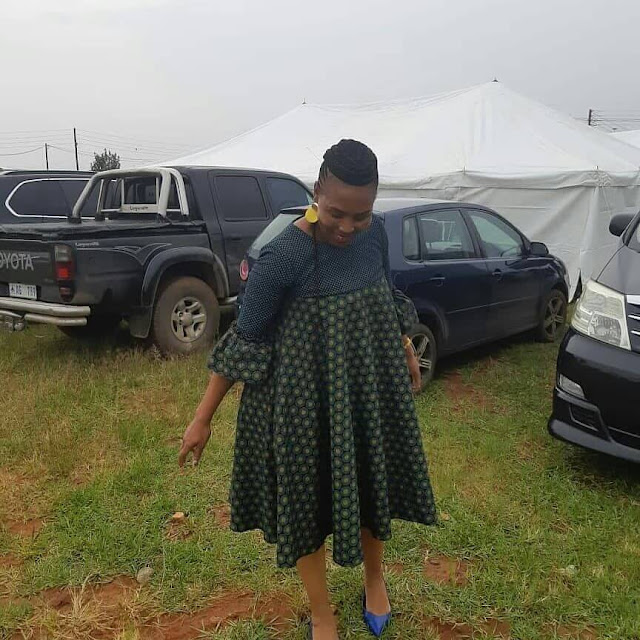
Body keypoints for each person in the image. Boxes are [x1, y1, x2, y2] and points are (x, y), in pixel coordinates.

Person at [179, 139, 437, 639]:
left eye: (360, 216)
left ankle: (375, 579)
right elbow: (246, 337)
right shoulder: (283, 255)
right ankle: (322, 612)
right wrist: (203, 417)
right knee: (305, 501)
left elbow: (385, 293)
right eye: (338, 213)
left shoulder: (375, 236)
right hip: (299, 403)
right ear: (317, 191)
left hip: (365, 389)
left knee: (368, 481)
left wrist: (405, 344)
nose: (348, 228)